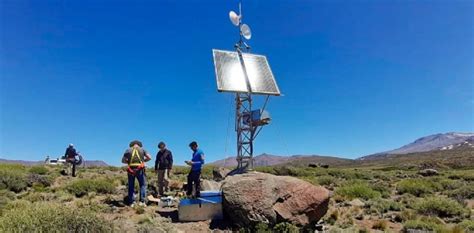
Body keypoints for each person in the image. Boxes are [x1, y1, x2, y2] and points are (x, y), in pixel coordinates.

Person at [122, 140, 151, 207]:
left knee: (131, 185)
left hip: (130, 170)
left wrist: (128, 162)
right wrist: (143, 161)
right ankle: (142, 202)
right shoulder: (142, 149)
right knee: (142, 185)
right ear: (138, 145)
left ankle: (132, 202)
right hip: (140, 169)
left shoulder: (128, 150)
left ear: (132, 145)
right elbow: (149, 157)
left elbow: (123, 160)